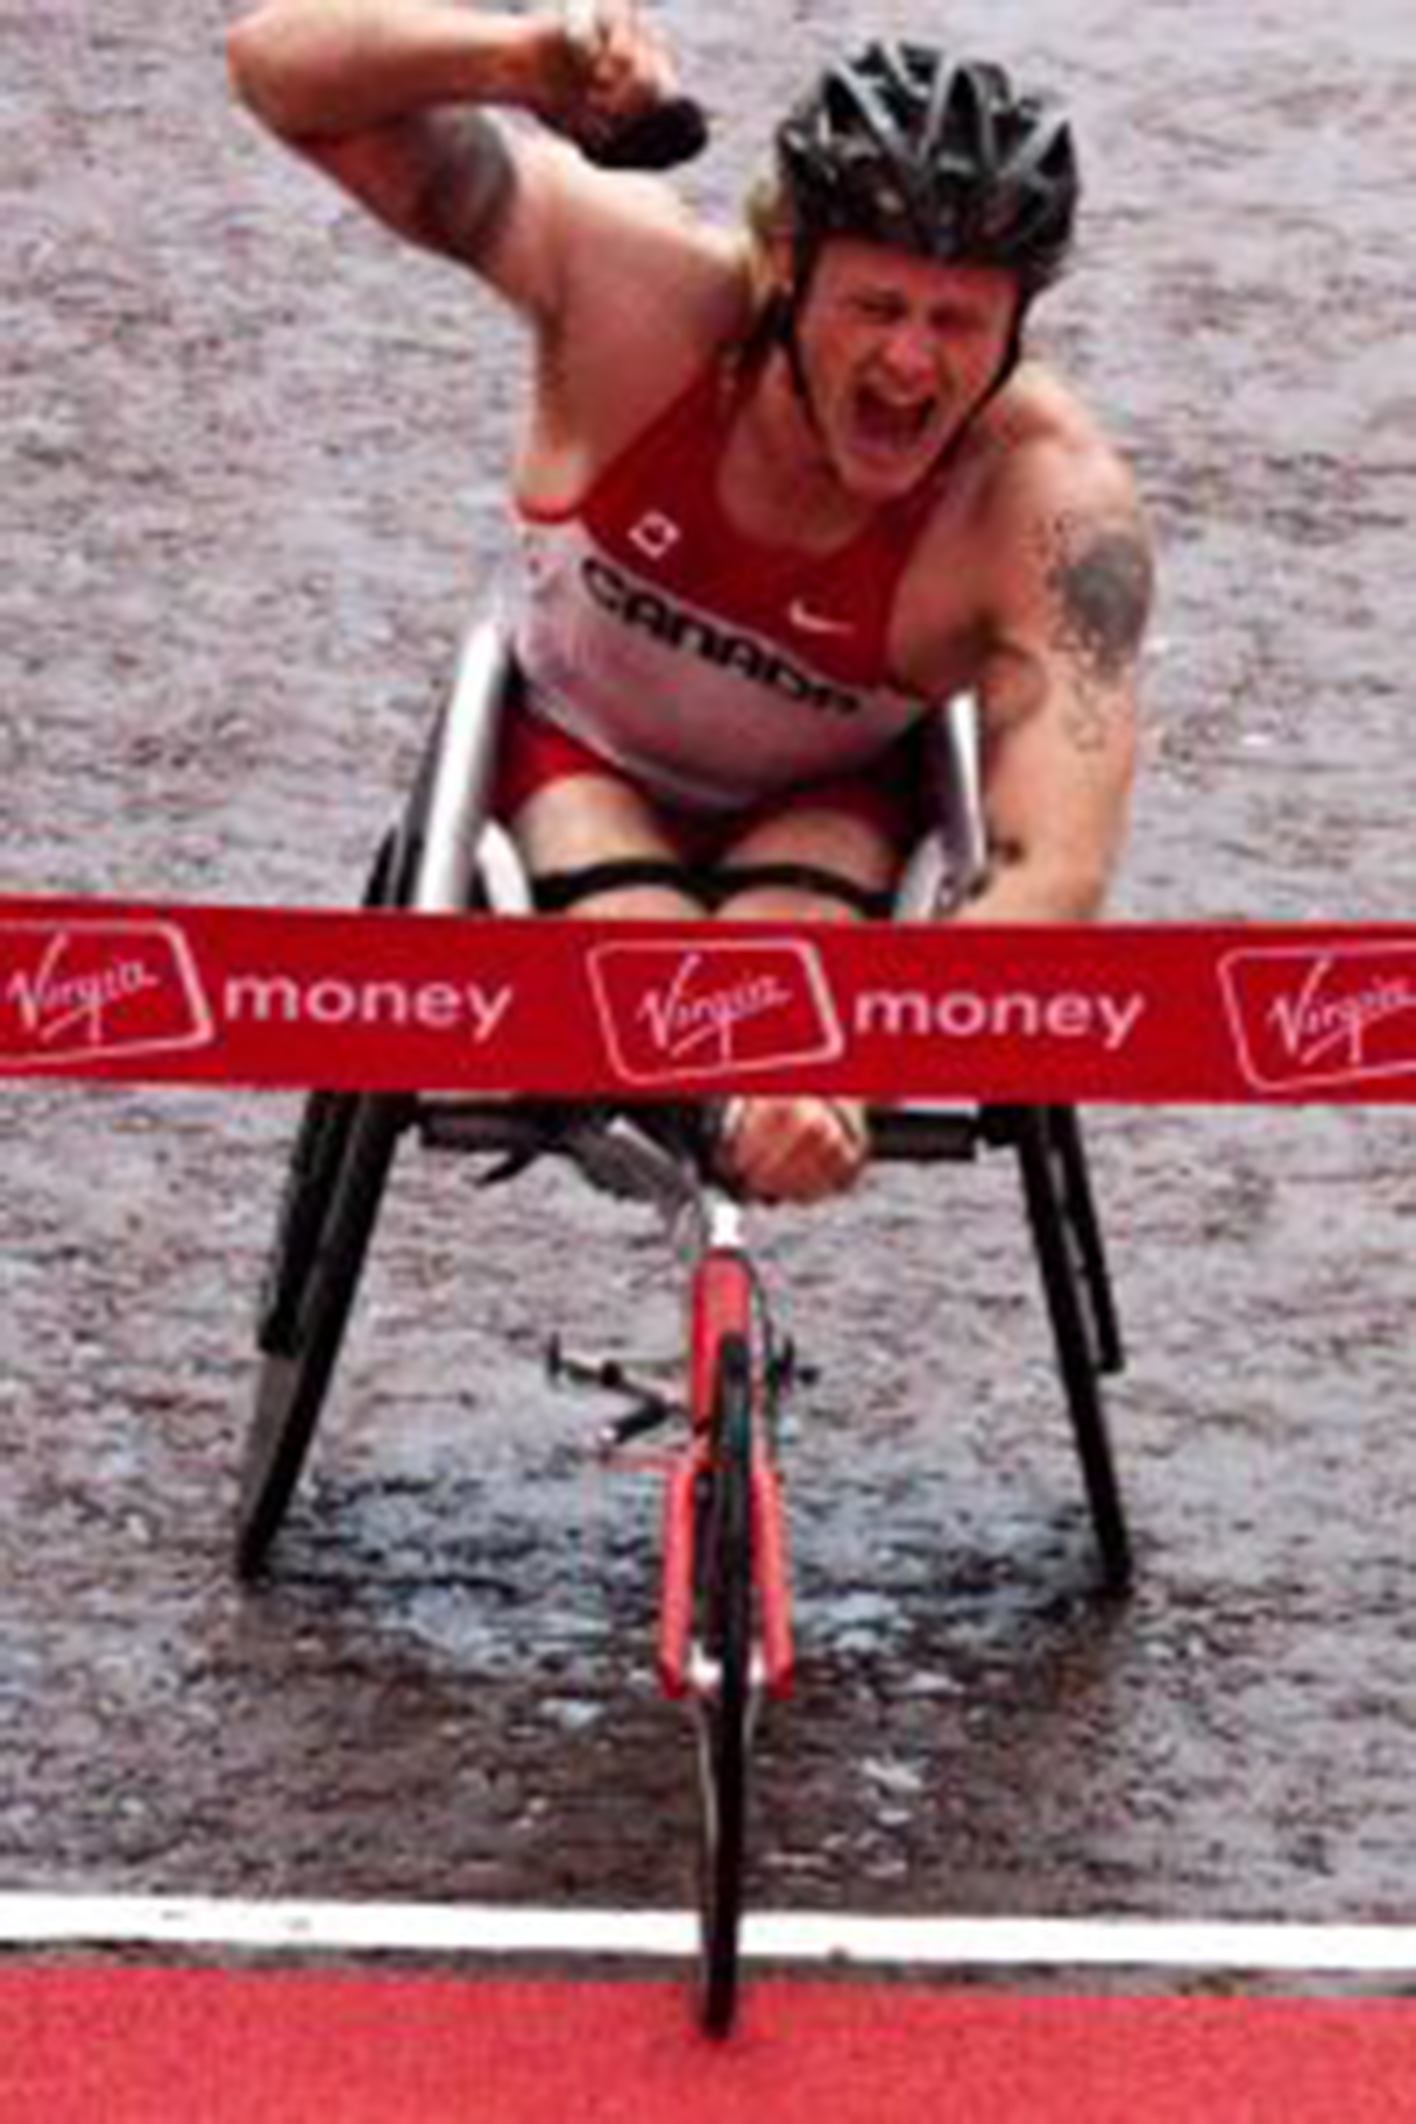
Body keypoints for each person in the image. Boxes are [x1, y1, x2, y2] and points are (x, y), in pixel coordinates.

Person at [227, 3, 1153, 1203]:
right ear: (784, 269)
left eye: (958, 321)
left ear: (1018, 324)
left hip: (830, 809)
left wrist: (854, 1073)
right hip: (575, 754)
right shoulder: (637, 289)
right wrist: (516, 63)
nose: (913, 365)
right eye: (876, 308)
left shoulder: (1058, 509)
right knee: (662, 985)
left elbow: (1051, 873)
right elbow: (273, 68)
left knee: (767, 1021)